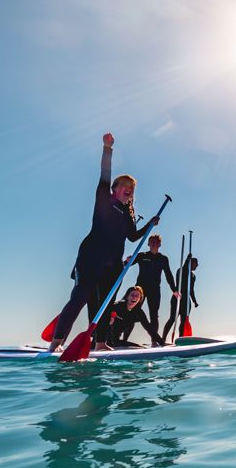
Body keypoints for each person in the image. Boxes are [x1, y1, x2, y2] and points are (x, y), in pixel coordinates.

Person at [47, 133, 160, 352]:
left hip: (112, 264)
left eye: (132, 188)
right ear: (115, 188)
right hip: (90, 259)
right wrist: (108, 149)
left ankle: (100, 344)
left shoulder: (127, 214)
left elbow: (133, 237)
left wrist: (150, 226)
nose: (130, 189)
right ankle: (55, 344)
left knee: (105, 305)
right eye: (126, 185)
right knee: (79, 299)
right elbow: (105, 174)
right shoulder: (104, 198)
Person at [128, 234, 179, 338]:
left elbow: (168, 274)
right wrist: (128, 260)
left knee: (154, 315)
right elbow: (126, 264)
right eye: (152, 242)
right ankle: (123, 340)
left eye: (156, 242)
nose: (154, 243)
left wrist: (174, 290)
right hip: (140, 290)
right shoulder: (142, 256)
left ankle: (154, 341)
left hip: (154, 290)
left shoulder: (163, 259)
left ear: (160, 244)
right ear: (148, 244)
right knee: (133, 313)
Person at [95, 286, 166, 350]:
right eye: (132, 295)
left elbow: (149, 329)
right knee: (139, 348)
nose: (134, 297)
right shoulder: (117, 306)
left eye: (137, 296)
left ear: (140, 298)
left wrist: (162, 343)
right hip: (104, 340)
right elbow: (101, 319)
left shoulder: (138, 312)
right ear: (127, 296)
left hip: (115, 341)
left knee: (139, 347)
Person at [163, 255, 198, 340]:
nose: (197, 266)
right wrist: (187, 259)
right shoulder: (181, 271)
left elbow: (191, 290)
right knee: (172, 319)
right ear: (191, 263)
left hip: (186, 301)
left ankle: (181, 339)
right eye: (195, 264)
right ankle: (162, 339)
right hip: (177, 297)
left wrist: (194, 301)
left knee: (183, 321)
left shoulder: (193, 276)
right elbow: (185, 267)